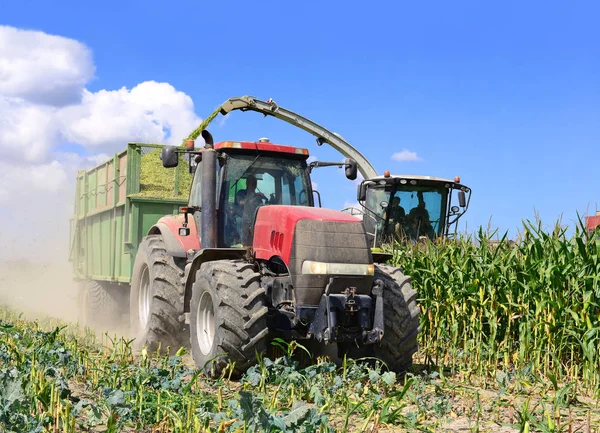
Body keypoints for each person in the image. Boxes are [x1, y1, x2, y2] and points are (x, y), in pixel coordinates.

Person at [241, 174, 267, 245]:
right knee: (245, 241)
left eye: (254, 183)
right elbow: (241, 202)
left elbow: (261, 208)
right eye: (251, 183)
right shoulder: (241, 193)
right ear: (247, 183)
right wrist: (254, 196)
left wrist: (268, 201)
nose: (253, 185)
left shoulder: (258, 198)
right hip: (242, 221)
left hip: (255, 222)